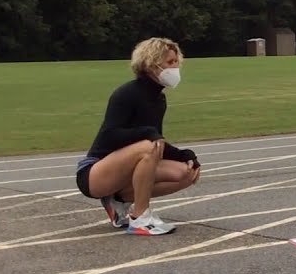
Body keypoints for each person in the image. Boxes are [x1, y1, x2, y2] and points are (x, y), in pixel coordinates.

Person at [73, 37, 202, 235]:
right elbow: (109, 136)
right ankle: (140, 217)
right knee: (148, 147)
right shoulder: (127, 94)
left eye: (176, 62)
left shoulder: (158, 99)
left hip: (128, 166)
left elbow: (157, 141)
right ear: (151, 64)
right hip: (95, 173)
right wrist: (147, 134)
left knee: (186, 173)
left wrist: (184, 154)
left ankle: (119, 200)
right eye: (169, 63)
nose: (175, 68)